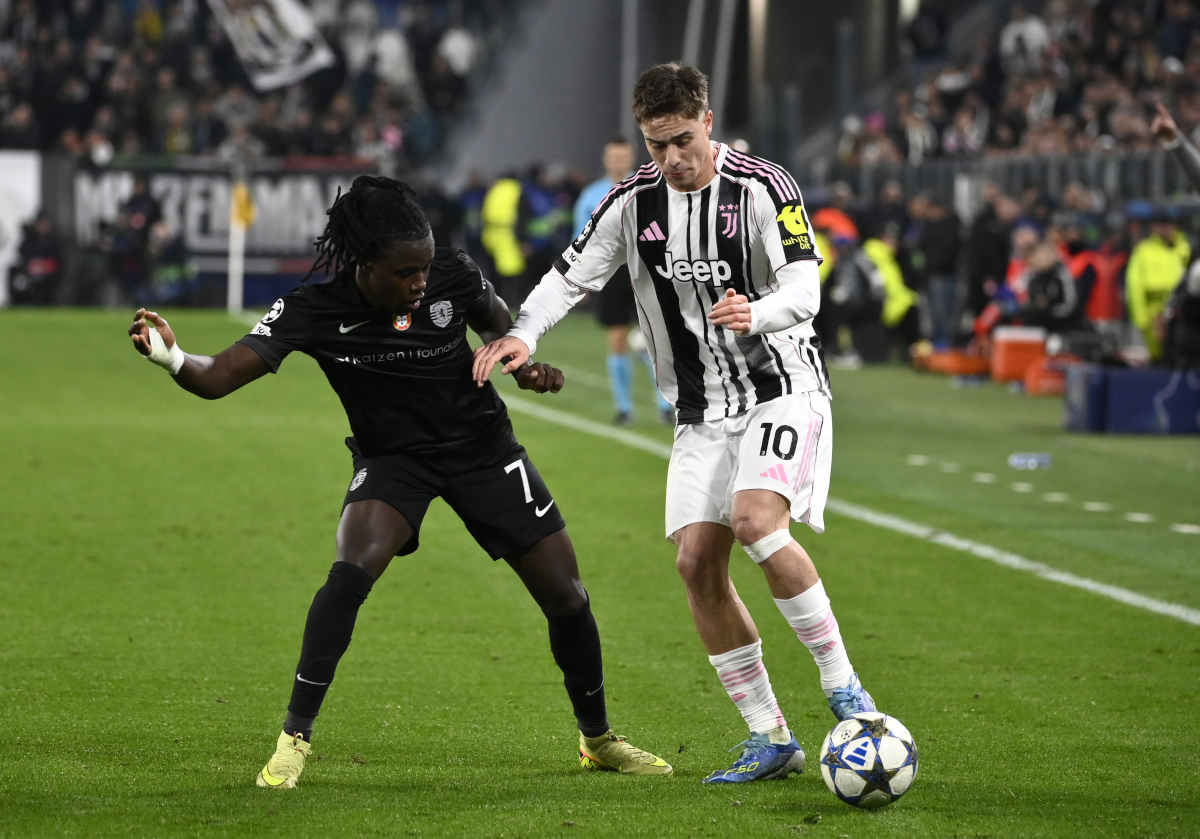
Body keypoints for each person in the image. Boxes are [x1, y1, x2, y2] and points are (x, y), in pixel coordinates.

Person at [126, 176, 671, 789]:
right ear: (363, 265)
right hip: (394, 461)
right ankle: (293, 739)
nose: (419, 283)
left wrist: (528, 369)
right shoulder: (314, 307)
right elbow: (220, 375)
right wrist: (173, 357)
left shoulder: (453, 275)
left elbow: (505, 337)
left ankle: (597, 739)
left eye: (425, 268)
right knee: (351, 568)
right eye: (404, 272)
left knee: (568, 597)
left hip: (482, 450)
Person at [473, 64, 876, 785]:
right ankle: (770, 736)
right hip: (699, 410)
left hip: (780, 388)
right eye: (657, 146)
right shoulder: (631, 203)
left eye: (683, 140)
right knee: (696, 564)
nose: (672, 159)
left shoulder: (764, 187)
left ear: (709, 122)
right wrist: (524, 335)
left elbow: (805, 286)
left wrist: (758, 311)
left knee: (756, 520)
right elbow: (570, 277)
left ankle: (845, 688)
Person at [573, 135, 672, 425]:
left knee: (656, 340)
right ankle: (625, 408)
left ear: (630, 158)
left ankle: (665, 406)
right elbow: (581, 240)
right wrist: (581, 279)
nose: (618, 161)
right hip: (611, 276)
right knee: (617, 339)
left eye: (623, 156)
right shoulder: (591, 196)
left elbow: (665, 230)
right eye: (613, 157)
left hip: (646, 273)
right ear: (606, 159)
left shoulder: (648, 188)